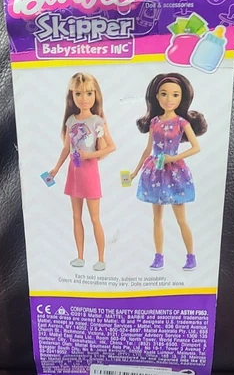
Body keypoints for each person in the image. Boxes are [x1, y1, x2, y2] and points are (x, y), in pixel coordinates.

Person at [131, 73, 207, 271]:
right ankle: (159, 257)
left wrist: (173, 158)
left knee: (181, 219)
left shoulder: (182, 123)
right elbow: (148, 149)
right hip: (155, 171)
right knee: (157, 218)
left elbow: (196, 147)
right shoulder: (154, 122)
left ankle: (191, 256)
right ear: (157, 96)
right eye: (164, 94)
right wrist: (134, 171)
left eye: (175, 95)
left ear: (182, 98)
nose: (169, 99)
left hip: (174, 173)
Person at [50, 73, 115, 271]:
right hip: (74, 172)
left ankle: (101, 259)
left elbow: (111, 147)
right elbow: (66, 148)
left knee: (95, 218)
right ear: (72, 96)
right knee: (76, 216)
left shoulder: (97, 121)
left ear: (96, 94)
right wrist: (56, 168)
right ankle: (80, 256)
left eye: (89, 93)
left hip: (89, 172)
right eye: (78, 94)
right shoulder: (71, 121)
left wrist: (90, 155)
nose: (84, 98)